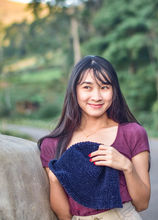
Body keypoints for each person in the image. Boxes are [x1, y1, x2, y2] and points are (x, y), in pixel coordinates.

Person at [38, 55, 150, 220]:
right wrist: (55, 180)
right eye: (87, 87)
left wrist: (126, 166)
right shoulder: (53, 145)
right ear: (74, 90)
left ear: (114, 91)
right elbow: (64, 216)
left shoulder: (133, 133)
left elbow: (142, 204)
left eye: (104, 87)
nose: (97, 96)